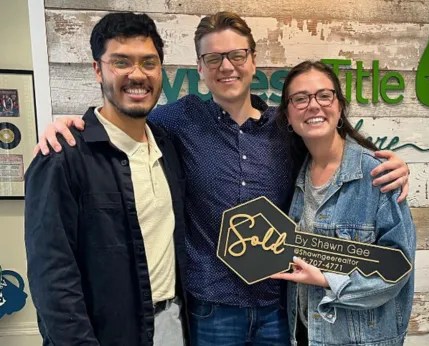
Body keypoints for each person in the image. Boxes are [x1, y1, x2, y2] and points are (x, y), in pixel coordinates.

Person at [34, 12, 410, 346]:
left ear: (253, 61)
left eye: (236, 55)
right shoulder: (175, 123)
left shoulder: (285, 127)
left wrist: (391, 163)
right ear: (199, 67)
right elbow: (123, 118)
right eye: (213, 58)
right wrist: (70, 124)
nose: (226, 66)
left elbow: (330, 143)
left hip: (278, 305)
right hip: (210, 309)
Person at [24, 12, 187, 346]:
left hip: (174, 325)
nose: (137, 75)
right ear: (98, 70)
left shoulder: (167, 147)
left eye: (149, 62)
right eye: (121, 62)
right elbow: (52, 278)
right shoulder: (62, 156)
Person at [271, 61, 416, 346]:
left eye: (324, 95)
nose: (313, 105)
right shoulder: (294, 173)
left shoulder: (376, 175)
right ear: (288, 116)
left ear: (339, 107)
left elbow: (398, 270)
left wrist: (328, 280)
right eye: (300, 98)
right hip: (304, 334)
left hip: (359, 339)